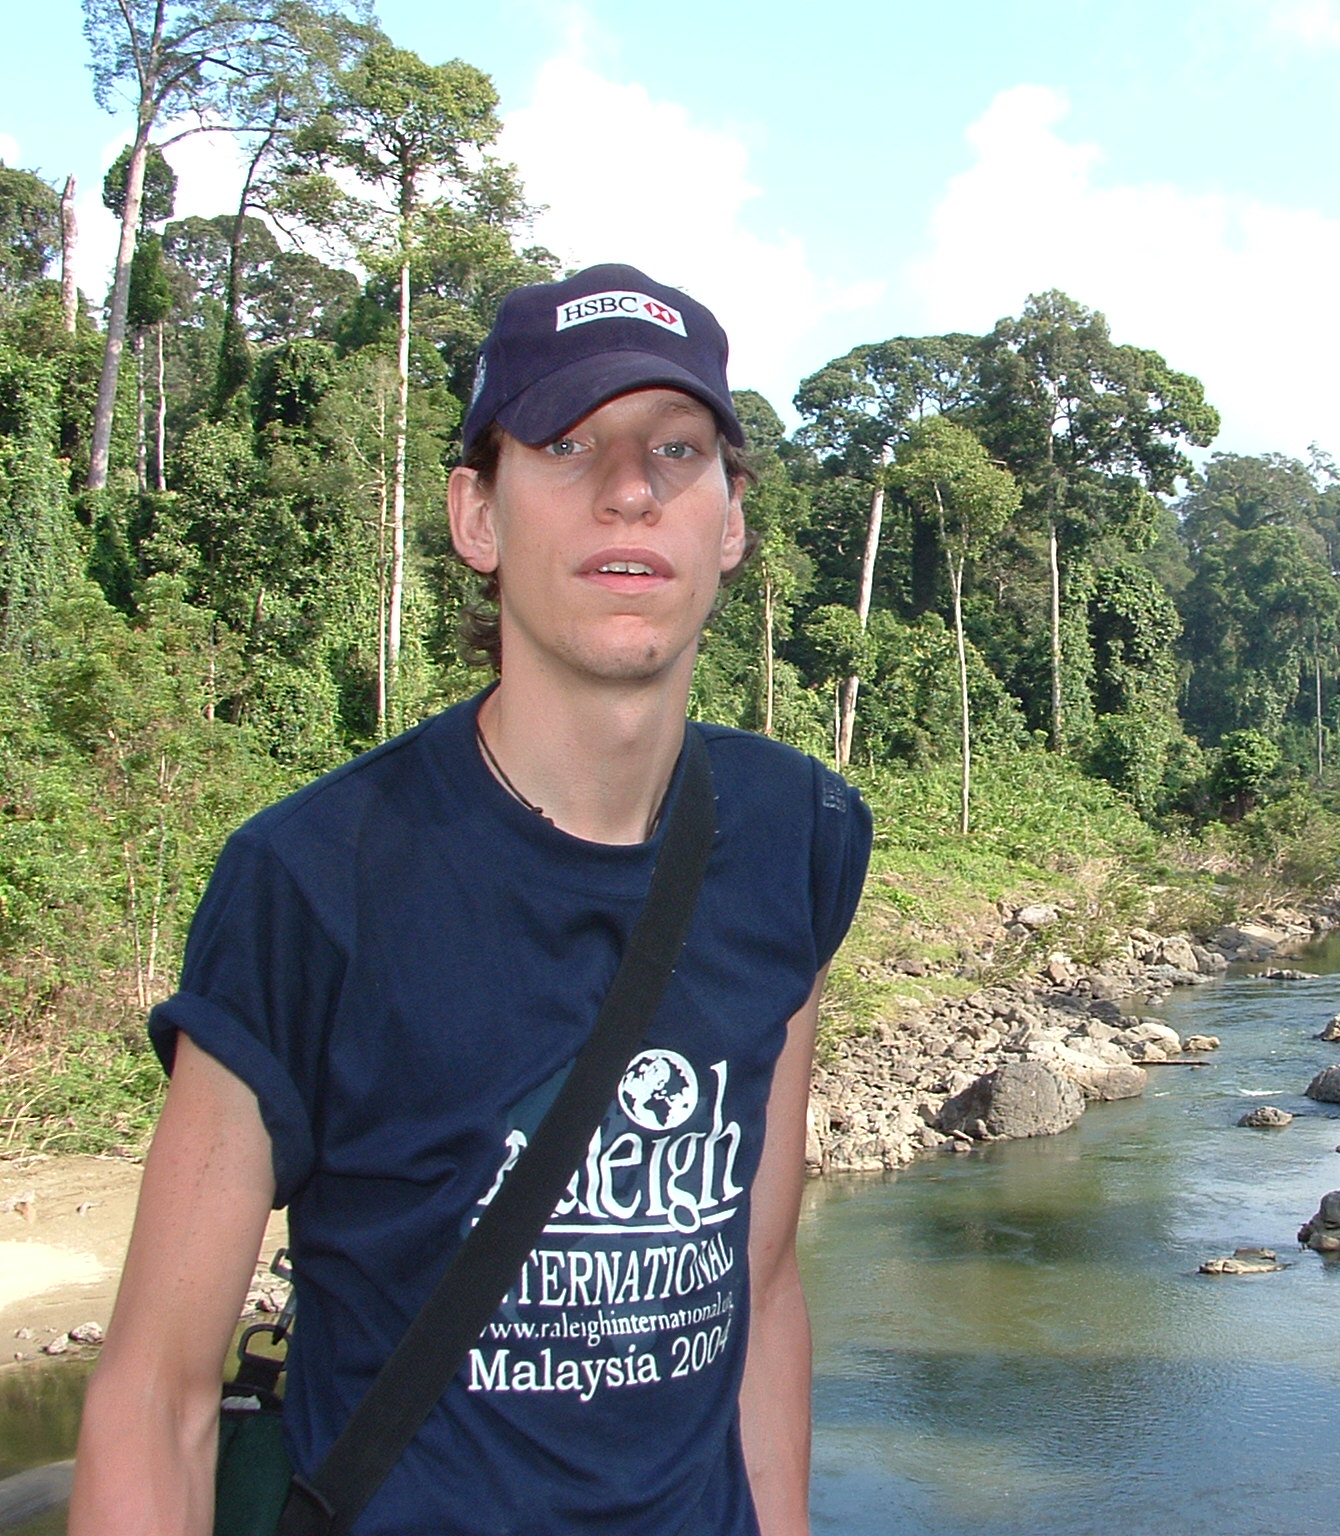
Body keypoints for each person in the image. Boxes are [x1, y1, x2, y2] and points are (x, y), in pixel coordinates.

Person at [69, 263, 870, 1536]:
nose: (630, 488)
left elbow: (759, 1284)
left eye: (677, 448)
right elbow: (154, 1397)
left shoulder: (799, 836)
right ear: (477, 515)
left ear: (728, 522)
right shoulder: (314, 879)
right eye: (565, 444)